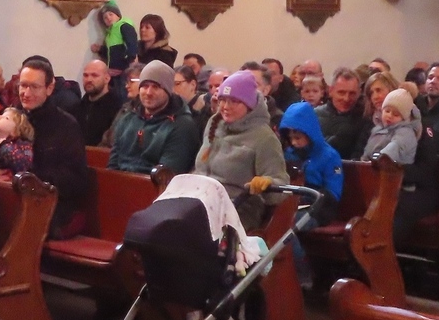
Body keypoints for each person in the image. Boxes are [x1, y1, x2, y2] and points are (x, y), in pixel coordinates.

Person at [196, 70, 289, 232]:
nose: (226, 107)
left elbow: (281, 185)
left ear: (249, 104)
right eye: (223, 100)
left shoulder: (264, 137)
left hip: (240, 208)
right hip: (203, 199)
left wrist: (267, 183)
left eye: (234, 101)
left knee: (194, 230)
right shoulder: (214, 123)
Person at [17, 56, 90, 237]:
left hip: (53, 206)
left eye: (34, 87)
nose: (26, 93)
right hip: (14, 198)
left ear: (49, 88)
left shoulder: (66, 125)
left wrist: (35, 177)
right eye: (23, 85)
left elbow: (77, 179)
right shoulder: (11, 118)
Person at [108, 60, 201, 176]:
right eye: (145, 86)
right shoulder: (128, 117)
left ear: (168, 91)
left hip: (153, 185)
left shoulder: (182, 126)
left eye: (155, 87)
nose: (148, 92)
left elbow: (166, 175)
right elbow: (113, 163)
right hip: (120, 182)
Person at [279, 100, 344, 226]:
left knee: (287, 223)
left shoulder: (329, 156)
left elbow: (333, 192)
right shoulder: (289, 154)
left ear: (310, 133)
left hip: (319, 210)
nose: (293, 142)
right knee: (275, 220)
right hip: (293, 203)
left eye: (297, 138)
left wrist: (313, 199)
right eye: (290, 138)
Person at [315, 67, 372, 161]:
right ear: (331, 91)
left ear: (359, 93)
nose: (346, 98)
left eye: (352, 93)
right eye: (341, 92)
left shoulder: (365, 119)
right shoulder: (315, 116)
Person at [361, 87, 421, 168]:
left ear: (404, 118)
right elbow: (369, 150)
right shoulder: (377, 130)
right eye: (387, 111)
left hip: (394, 171)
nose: (389, 116)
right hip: (374, 169)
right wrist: (364, 161)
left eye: (396, 114)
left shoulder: (406, 132)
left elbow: (396, 146)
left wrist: (384, 156)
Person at [73, 58, 123, 146]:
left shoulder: (118, 108)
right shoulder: (78, 106)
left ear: (107, 78)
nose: (89, 79)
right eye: (85, 75)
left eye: (94, 75)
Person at [91, 0, 139, 89]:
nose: (108, 18)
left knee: (123, 91)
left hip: (123, 70)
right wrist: (100, 49)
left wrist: (129, 62)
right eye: (105, 17)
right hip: (113, 71)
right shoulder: (109, 34)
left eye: (111, 14)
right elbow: (110, 52)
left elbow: (132, 43)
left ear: (118, 15)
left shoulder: (124, 26)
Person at [0, 107, 35, 174]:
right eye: (1, 115)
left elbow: (22, 164)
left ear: (15, 131)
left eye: (6, 118)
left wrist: (4, 144)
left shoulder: (23, 145)